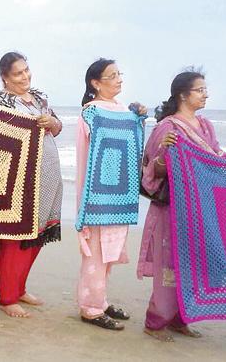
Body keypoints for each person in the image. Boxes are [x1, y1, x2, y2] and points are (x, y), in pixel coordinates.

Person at [0, 52, 63, 318]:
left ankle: (20, 288)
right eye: (18, 73)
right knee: (15, 237)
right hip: (17, 181)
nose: (25, 77)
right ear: (5, 77)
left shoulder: (39, 97)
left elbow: (57, 127)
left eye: (26, 70)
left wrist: (53, 122)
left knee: (36, 235)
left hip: (47, 176)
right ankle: (7, 297)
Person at [138, 69, 216, 342]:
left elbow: (214, 162)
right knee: (169, 266)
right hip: (172, 209)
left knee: (193, 265)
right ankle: (156, 321)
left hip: (199, 209)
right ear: (183, 95)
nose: (206, 94)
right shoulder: (167, 128)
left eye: (205, 89)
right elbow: (151, 171)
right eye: (200, 90)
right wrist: (166, 154)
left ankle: (181, 319)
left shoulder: (205, 127)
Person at [75, 58, 147, 330]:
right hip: (96, 197)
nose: (119, 79)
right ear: (96, 83)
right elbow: (88, 157)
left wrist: (139, 119)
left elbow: (131, 144)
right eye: (112, 75)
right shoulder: (91, 112)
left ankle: (100, 301)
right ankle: (90, 308)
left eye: (119, 74)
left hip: (117, 194)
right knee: (94, 255)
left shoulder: (120, 110)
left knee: (109, 254)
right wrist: (84, 202)